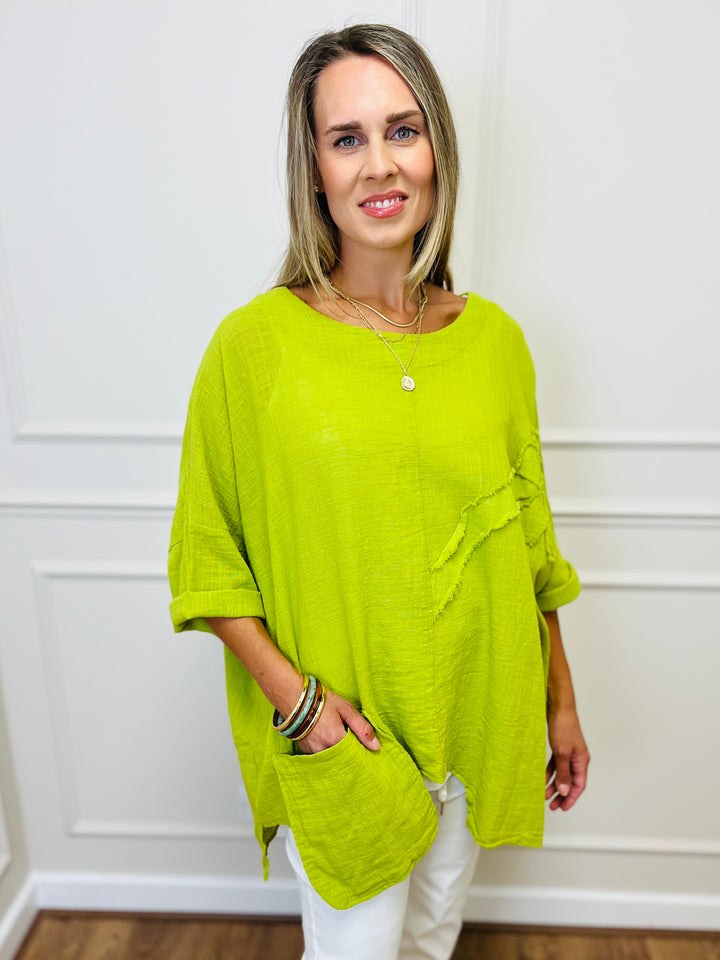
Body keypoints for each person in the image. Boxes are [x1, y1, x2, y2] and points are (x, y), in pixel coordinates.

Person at [168, 23, 589, 960]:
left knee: (432, 940)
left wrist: (560, 702)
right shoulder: (253, 348)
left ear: (437, 148)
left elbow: (530, 544)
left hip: (476, 720)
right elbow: (206, 559)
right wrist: (300, 707)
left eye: (403, 129)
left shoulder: (497, 343)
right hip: (346, 741)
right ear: (313, 170)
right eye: (346, 138)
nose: (379, 164)